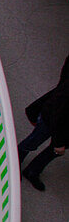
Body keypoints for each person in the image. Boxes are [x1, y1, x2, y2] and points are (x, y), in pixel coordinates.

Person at [19, 54, 69, 191]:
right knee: (35, 141)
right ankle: (16, 160)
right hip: (54, 118)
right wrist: (59, 142)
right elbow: (60, 114)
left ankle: (32, 171)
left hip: (57, 117)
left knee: (53, 150)